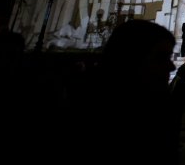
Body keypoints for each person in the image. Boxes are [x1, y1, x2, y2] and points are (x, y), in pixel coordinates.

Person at [74, 20, 179, 165]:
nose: (172, 67)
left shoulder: (160, 106)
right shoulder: (89, 112)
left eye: (169, 57)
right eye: (161, 57)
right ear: (130, 57)